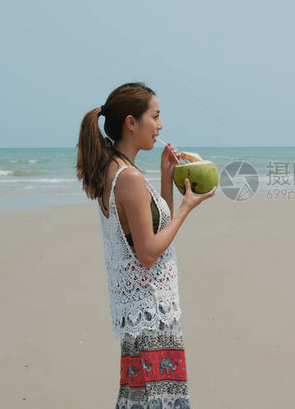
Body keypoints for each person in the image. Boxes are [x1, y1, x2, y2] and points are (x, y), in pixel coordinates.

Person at [76, 82, 215, 409]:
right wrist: (187, 207)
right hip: (152, 312)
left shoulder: (115, 170)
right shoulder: (130, 178)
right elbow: (150, 253)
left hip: (139, 312)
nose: (160, 126)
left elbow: (151, 233)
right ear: (131, 122)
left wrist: (167, 178)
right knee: (160, 400)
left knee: (139, 399)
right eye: (155, 116)